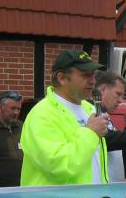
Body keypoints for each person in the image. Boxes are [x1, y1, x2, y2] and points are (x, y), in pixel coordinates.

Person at [20, 49, 109, 186]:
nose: (93, 81)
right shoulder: (42, 114)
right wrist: (90, 133)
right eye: (85, 75)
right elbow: (58, 166)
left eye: (93, 75)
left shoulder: (89, 109)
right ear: (61, 78)